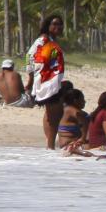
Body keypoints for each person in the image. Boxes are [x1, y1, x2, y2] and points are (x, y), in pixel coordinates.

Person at [29, 13, 69, 148]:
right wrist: (31, 79)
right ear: (48, 26)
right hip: (46, 82)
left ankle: (50, 145)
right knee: (54, 114)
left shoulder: (51, 40)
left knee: (53, 113)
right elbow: (30, 57)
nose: (58, 26)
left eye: (60, 24)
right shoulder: (43, 40)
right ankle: (50, 146)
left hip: (52, 81)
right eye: (55, 24)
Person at [54, 85, 88, 152]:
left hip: (64, 145)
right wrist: (83, 138)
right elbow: (84, 125)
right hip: (71, 145)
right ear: (75, 100)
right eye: (82, 99)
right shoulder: (75, 112)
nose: (84, 101)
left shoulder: (65, 109)